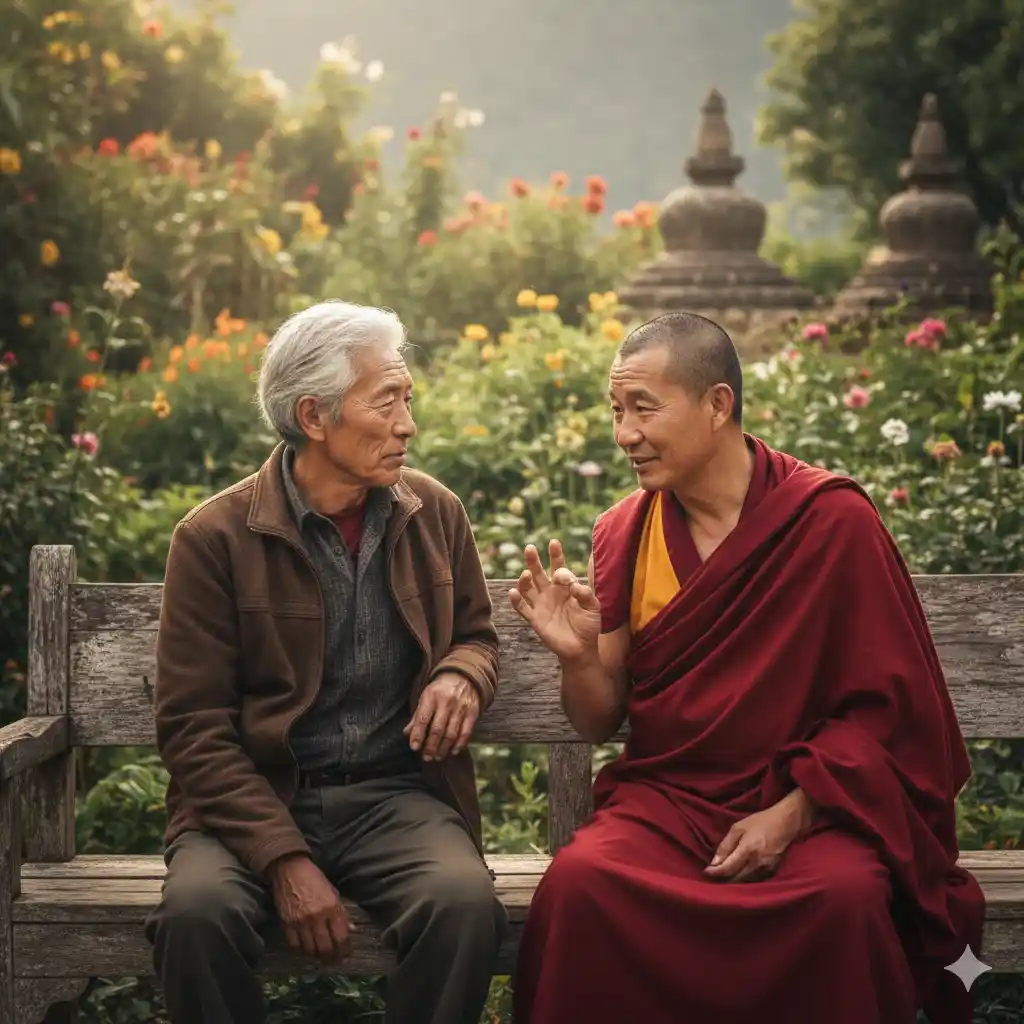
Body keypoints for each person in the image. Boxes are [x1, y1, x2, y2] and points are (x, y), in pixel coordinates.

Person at [508, 311, 984, 1024]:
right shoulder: (626, 532)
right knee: (579, 886)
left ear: (717, 405)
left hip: (813, 805)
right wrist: (577, 657)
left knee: (844, 904)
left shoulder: (830, 521)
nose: (624, 434)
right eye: (615, 410)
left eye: (644, 408)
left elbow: (888, 714)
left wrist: (792, 814)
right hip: (672, 802)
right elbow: (601, 716)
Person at [144, 300, 507, 1024]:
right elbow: (191, 729)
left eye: (408, 398)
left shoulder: (434, 512)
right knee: (195, 917)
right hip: (251, 804)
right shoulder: (214, 537)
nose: (408, 423)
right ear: (314, 416)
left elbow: (477, 633)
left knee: (465, 908)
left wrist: (463, 672)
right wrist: (283, 860)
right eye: (386, 402)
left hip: (394, 798)